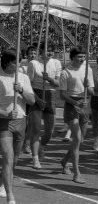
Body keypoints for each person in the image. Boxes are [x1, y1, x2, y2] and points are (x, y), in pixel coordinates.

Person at [0, 49, 35, 204]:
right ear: (8, 62)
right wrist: (5, 114)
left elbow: (32, 101)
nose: (20, 64)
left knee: (14, 159)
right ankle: (10, 196)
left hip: (21, 121)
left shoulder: (23, 77)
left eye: (20, 61)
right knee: (8, 157)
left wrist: (20, 90)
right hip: (3, 122)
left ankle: (2, 182)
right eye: (17, 61)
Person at [59, 46, 94, 184]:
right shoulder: (65, 72)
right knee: (77, 137)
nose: (82, 59)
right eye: (79, 56)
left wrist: (88, 87)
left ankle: (64, 161)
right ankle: (76, 172)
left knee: (79, 140)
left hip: (84, 104)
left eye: (84, 56)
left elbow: (92, 92)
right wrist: (75, 103)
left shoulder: (88, 69)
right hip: (71, 105)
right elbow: (62, 95)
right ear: (72, 57)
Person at [27, 42, 62, 169]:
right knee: (36, 129)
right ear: (41, 50)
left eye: (52, 50)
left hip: (51, 96)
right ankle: (35, 158)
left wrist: (50, 80)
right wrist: (37, 99)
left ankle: (41, 146)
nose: (50, 52)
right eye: (48, 49)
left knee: (49, 132)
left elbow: (58, 84)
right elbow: (28, 84)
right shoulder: (33, 63)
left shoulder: (56, 63)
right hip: (36, 94)